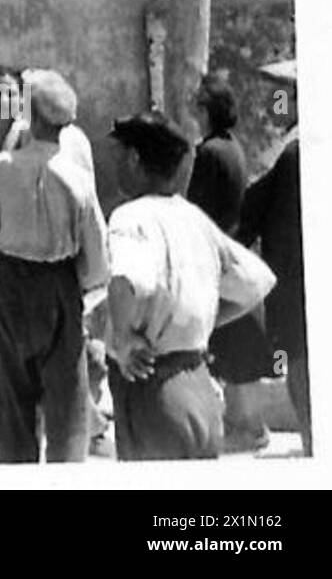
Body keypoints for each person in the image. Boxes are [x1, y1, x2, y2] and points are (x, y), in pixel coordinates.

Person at [107, 109, 275, 461]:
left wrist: (123, 339)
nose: (116, 164)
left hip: (154, 390)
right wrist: (209, 319)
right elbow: (258, 282)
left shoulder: (130, 216)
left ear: (135, 159)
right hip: (202, 388)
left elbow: (127, 279)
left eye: (120, 154)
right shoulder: (193, 218)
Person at [0, 68, 108, 463]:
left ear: (31, 116)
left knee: (10, 397)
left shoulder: (0, 167)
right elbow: (96, 253)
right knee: (67, 399)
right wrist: (79, 289)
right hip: (60, 284)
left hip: (10, 282)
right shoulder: (78, 178)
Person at [185, 70, 271, 450]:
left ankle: (248, 428)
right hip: (234, 253)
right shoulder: (233, 148)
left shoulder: (208, 153)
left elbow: (197, 212)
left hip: (216, 258)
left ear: (207, 110)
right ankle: (246, 424)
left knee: (231, 344)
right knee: (237, 343)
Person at [238, 59, 308, 455]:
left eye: (284, 96)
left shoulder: (292, 153)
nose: (276, 103)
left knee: (298, 358)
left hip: (296, 284)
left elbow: (253, 213)